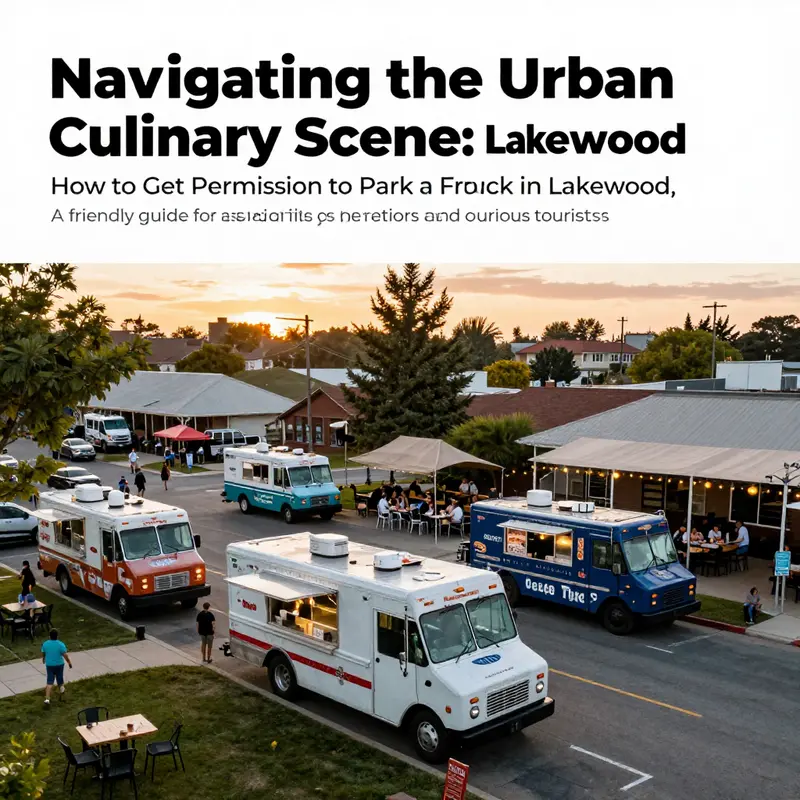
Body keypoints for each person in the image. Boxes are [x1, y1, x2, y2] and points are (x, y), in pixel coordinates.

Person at [42, 628, 72, 705]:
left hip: (50, 665)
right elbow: (65, 655)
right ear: (57, 636)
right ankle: (63, 696)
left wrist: (43, 659)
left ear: (49, 636)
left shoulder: (45, 644)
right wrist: (69, 662)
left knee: (49, 682)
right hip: (59, 665)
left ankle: (47, 699)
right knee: (60, 680)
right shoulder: (60, 644)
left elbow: (43, 653)